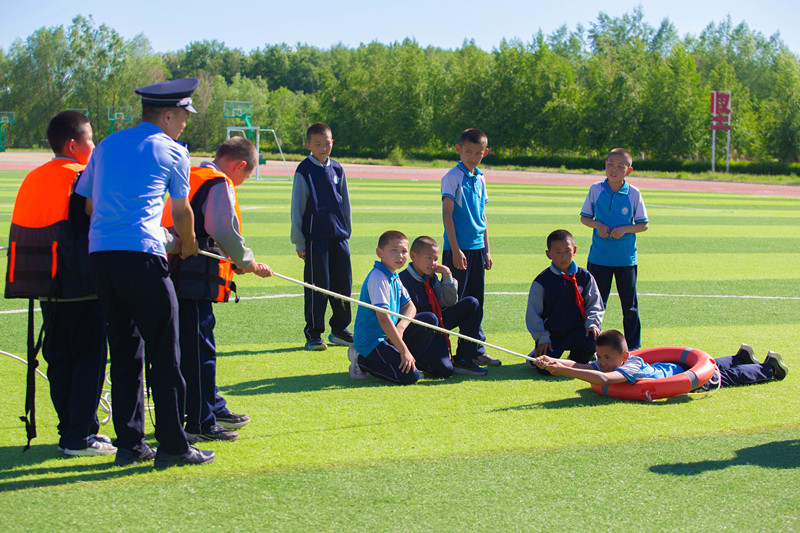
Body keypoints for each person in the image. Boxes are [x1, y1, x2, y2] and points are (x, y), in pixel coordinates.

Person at [75, 78, 215, 468]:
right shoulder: (173, 151)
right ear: (167, 115)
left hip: (102, 257)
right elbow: (182, 210)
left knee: (124, 351)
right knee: (165, 353)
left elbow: (88, 206)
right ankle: (173, 445)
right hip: (143, 258)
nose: (184, 123)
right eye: (183, 116)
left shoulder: (106, 145)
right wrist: (187, 243)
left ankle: (130, 443)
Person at [5, 111, 112, 456]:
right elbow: (96, 223)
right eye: (90, 139)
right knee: (89, 359)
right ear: (73, 145)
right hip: (80, 283)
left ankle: (73, 430)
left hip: (44, 285)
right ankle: (79, 436)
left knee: (61, 360)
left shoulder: (33, 177)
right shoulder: (81, 177)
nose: (94, 146)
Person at [162, 136, 273, 442]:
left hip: (173, 275)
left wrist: (239, 263)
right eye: (246, 175)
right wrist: (247, 261)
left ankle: (211, 406)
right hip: (192, 280)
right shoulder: (218, 182)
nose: (242, 182)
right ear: (239, 165)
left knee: (190, 347)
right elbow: (222, 228)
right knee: (199, 351)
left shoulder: (192, 175)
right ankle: (200, 422)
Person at [533, 329, 789, 390]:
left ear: (624, 356)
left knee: (725, 377)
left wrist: (563, 372)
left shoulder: (629, 367)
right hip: (672, 367)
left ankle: (769, 368)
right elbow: (583, 365)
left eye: (606, 357)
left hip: (682, 377)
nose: (601, 361)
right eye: (599, 356)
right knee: (718, 365)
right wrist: (554, 361)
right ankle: (739, 357)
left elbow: (603, 379)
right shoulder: (611, 362)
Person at [348, 231, 443, 384]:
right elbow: (383, 318)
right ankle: (361, 361)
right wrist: (404, 350)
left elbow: (410, 307)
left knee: (429, 320)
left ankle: (406, 361)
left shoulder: (394, 276)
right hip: (372, 341)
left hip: (389, 335)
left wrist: (401, 328)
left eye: (404, 251)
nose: (400, 256)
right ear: (380, 253)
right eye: (394, 250)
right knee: (410, 377)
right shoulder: (378, 277)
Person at [290, 122, 353, 351]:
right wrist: (299, 240)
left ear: (332, 142)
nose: (323, 148)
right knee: (318, 287)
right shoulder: (304, 170)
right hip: (315, 239)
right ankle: (314, 334)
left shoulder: (337, 169)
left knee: (343, 285)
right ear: (308, 145)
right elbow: (297, 207)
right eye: (317, 144)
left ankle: (340, 329)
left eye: (327, 143)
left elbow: (345, 202)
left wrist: (347, 229)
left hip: (339, 238)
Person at [440, 128, 499, 368]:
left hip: (476, 248)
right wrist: (455, 250)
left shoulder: (481, 178)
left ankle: (473, 349)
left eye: (477, 153)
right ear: (458, 150)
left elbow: (482, 216)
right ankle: (446, 350)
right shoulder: (452, 177)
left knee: (477, 302)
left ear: (485, 152)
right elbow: (447, 214)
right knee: (456, 303)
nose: (472, 157)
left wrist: (487, 250)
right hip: (458, 249)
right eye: (467, 152)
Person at [580, 148, 648, 350]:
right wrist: (598, 226)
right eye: (611, 164)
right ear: (605, 165)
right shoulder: (595, 189)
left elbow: (643, 224)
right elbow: (585, 218)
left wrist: (625, 229)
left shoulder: (634, 193)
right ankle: (589, 347)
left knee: (630, 306)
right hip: (599, 257)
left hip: (625, 259)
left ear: (629, 170)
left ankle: (633, 348)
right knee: (595, 305)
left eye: (620, 166)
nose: (614, 169)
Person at [398, 236, 487, 377]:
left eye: (435, 259)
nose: (433, 263)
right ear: (413, 256)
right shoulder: (402, 280)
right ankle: (417, 357)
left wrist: (447, 273)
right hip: (417, 332)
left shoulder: (431, 277)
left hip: (436, 324)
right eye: (428, 258)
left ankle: (464, 358)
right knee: (444, 370)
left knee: (471, 304)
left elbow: (450, 302)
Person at [525, 229, 604, 375]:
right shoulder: (542, 281)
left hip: (578, 330)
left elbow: (595, 304)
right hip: (553, 334)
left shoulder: (585, 277)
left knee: (593, 340)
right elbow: (533, 313)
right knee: (545, 370)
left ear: (574, 250)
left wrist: (592, 323)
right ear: (548, 254)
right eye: (558, 252)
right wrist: (542, 337)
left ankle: (576, 358)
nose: (563, 256)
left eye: (567, 251)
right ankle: (536, 354)